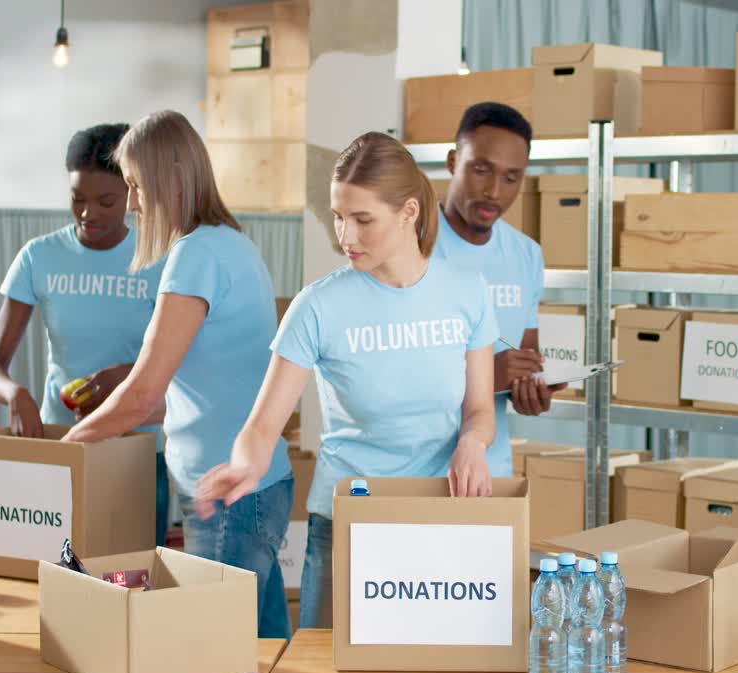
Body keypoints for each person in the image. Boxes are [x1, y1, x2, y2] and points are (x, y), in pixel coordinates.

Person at [195, 131, 499, 629]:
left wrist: (472, 443)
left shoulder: (467, 293)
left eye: (363, 219)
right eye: (339, 217)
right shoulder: (317, 307)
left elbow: (480, 409)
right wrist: (245, 465)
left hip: (437, 519)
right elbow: (264, 425)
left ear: (408, 212)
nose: (346, 237)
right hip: (345, 524)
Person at [61, 110, 293, 639]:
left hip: (227, 493)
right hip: (250, 488)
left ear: (169, 178)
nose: (135, 204)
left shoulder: (196, 255)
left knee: (212, 655)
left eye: (138, 187)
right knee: (267, 653)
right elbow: (197, 391)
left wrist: (66, 450)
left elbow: (143, 394)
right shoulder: (232, 243)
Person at [0, 123, 171, 546]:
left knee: (134, 584)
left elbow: (183, 366)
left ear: (132, 195)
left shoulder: (160, 260)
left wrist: (124, 377)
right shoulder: (39, 257)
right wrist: (14, 394)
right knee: (56, 580)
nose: (89, 213)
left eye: (106, 201)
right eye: (77, 199)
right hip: (59, 447)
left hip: (136, 454)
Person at [432, 102, 561, 479]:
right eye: (481, 170)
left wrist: (531, 390)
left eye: (510, 178)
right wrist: (488, 375)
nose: (493, 191)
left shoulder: (526, 254)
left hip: (489, 474)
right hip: (414, 477)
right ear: (454, 161)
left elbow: (525, 353)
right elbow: (388, 376)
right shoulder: (410, 246)